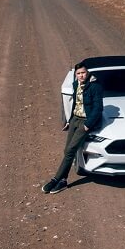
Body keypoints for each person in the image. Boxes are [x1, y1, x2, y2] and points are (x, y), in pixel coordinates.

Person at [42, 61, 103, 194]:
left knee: (70, 150)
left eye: (83, 73)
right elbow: (76, 104)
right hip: (75, 119)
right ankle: (63, 181)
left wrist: (88, 125)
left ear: (88, 73)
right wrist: (70, 121)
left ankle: (55, 179)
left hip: (85, 122)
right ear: (76, 75)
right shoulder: (76, 85)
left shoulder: (95, 87)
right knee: (67, 150)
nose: (81, 76)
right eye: (78, 73)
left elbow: (98, 108)